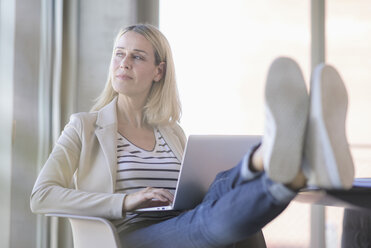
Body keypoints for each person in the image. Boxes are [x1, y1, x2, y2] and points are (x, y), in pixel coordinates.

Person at [30, 23, 355, 248]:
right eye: (119, 53)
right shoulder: (84, 127)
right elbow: (41, 196)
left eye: (137, 56)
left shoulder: (171, 131)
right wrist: (126, 201)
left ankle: (273, 159)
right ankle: (284, 162)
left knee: (222, 185)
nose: (123, 63)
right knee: (207, 220)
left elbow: (199, 190)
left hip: (183, 216)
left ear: (159, 71)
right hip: (127, 234)